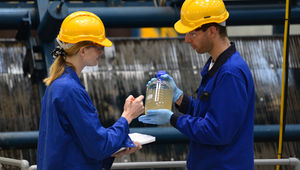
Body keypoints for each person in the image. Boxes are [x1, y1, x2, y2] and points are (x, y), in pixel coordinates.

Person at [139, 0, 255, 169]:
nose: (186, 39)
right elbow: (208, 115)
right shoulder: (215, 66)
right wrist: (179, 98)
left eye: (192, 33)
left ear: (212, 31)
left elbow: (217, 131)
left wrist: (172, 118)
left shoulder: (230, 73)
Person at [37, 11, 145, 170]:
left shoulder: (57, 85)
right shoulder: (70, 90)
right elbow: (100, 146)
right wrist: (128, 115)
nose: (101, 52)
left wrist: (113, 151)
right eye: (99, 47)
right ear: (82, 51)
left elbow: (77, 144)